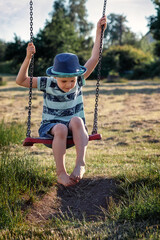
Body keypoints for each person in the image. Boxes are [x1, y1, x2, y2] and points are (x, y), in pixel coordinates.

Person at [16, 16, 107, 187]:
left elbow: (94, 58)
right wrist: (28, 57)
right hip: (51, 128)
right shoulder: (47, 83)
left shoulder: (79, 80)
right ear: (55, 76)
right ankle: (61, 173)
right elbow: (21, 80)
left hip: (75, 130)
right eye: (64, 81)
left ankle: (80, 163)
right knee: (60, 128)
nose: (69, 84)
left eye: (71, 80)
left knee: (77, 120)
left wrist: (99, 32)